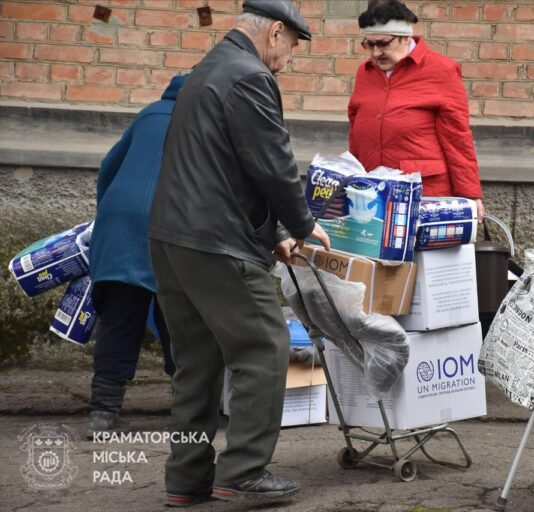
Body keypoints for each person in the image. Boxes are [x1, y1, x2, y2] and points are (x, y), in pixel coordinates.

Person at [147, 1, 330, 508]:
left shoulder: (209, 67)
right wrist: (303, 223)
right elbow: (270, 162)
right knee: (264, 349)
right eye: (292, 46)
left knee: (197, 364)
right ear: (275, 32)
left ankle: (185, 480)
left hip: (172, 237)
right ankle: (244, 472)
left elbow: (225, 167)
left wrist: (271, 233)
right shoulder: (250, 76)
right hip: (217, 243)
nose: (289, 58)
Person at [87, 74, 186, 434]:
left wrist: (106, 220)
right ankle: (186, 408)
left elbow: (108, 168)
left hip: (119, 223)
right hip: (169, 225)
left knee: (118, 318)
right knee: (179, 318)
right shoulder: (204, 120)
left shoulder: (149, 113)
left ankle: (102, 412)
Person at [348, 0, 484, 222]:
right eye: (369, 44)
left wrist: (469, 195)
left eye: (382, 44)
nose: (375, 52)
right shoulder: (365, 74)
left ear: (405, 37)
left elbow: (457, 138)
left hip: (425, 194)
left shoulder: (440, 70)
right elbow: (355, 132)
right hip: (374, 194)